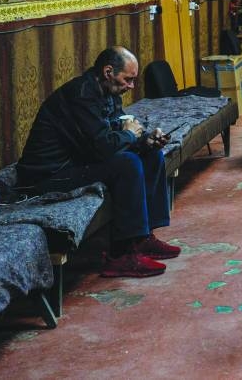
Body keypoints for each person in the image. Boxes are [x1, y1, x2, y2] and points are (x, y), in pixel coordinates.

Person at [17, 47, 179, 278]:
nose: (131, 86)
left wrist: (145, 140)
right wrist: (130, 135)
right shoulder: (81, 95)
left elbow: (112, 136)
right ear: (108, 72)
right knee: (127, 163)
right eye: (128, 79)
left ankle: (142, 238)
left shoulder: (108, 92)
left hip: (78, 160)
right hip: (49, 175)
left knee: (152, 154)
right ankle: (120, 255)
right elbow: (102, 148)